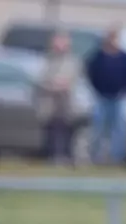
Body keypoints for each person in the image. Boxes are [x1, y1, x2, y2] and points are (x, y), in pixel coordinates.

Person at [82, 27, 126, 166]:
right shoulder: (99, 57)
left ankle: (116, 159)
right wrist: (97, 89)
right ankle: (95, 157)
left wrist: (125, 90)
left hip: (118, 98)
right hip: (101, 97)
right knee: (98, 128)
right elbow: (90, 73)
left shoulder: (124, 57)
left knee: (118, 130)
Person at [35, 31, 83, 166]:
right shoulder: (47, 60)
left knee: (66, 130)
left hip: (66, 103)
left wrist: (63, 84)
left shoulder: (73, 61)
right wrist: (52, 85)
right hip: (50, 103)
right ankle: (51, 157)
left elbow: (73, 79)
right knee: (51, 130)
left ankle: (66, 157)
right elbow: (41, 79)